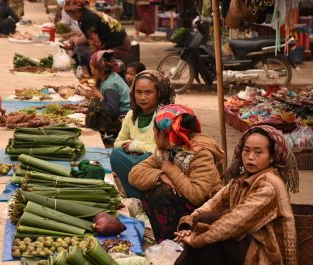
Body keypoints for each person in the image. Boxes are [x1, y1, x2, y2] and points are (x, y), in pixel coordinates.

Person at [173, 125, 299, 265]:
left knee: (209, 224)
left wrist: (196, 239)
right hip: (244, 245)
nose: (250, 157)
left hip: (265, 257)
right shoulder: (241, 180)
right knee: (205, 222)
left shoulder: (270, 184)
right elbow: (214, 203)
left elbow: (236, 222)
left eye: (258, 152)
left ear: (271, 158)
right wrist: (189, 225)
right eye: (246, 151)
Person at [128, 104, 224, 242]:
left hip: (205, 210)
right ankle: (166, 242)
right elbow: (134, 174)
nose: (154, 137)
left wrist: (171, 169)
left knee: (162, 192)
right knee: (152, 187)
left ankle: (175, 242)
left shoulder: (200, 153)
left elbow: (197, 195)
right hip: (185, 202)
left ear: (162, 134)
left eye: (154, 132)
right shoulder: (167, 150)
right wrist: (161, 175)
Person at [110, 70, 175, 199]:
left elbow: (164, 152)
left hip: (157, 164)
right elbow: (117, 144)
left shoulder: (166, 117)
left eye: (148, 92)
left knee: (145, 159)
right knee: (116, 155)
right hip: (134, 162)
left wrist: (135, 145)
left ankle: (141, 197)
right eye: (138, 92)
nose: (142, 98)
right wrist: (136, 146)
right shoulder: (131, 116)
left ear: (159, 93)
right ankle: (138, 197)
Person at [78, 49, 130, 145]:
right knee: (95, 101)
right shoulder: (110, 77)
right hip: (125, 113)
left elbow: (112, 111)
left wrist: (100, 97)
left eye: (92, 67)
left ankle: (111, 133)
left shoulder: (110, 84)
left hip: (125, 118)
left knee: (95, 104)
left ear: (98, 69)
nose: (91, 70)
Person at [63, 0, 131, 62]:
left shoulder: (87, 19)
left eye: (70, 14)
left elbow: (95, 44)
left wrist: (76, 41)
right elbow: (88, 33)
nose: (70, 17)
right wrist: (75, 38)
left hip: (118, 45)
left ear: (77, 12)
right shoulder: (86, 15)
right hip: (117, 42)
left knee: (80, 50)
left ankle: (86, 72)